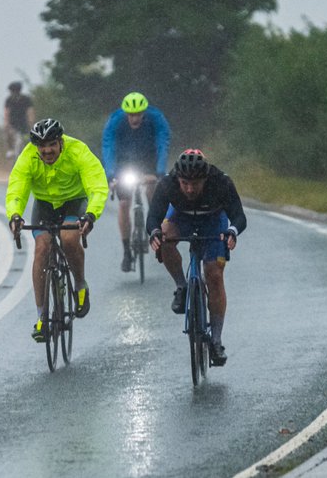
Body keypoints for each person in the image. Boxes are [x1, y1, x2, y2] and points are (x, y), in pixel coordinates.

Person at [6, 118, 109, 342]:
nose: (47, 150)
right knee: (42, 248)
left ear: (60, 142)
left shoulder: (77, 151)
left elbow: (97, 184)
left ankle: (80, 285)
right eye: (42, 146)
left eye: (52, 144)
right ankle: (41, 316)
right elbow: (17, 187)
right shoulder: (28, 157)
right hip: (44, 205)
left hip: (74, 202)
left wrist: (91, 214)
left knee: (69, 237)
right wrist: (14, 214)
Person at [146, 149, 246, 366]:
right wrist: (154, 233)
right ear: (178, 180)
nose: (190, 189)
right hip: (181, 218)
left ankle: (217, 340)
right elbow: (153, 216)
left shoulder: (221, 182)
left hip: (213, 221)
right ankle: (182, 286)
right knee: (164, 236)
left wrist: (232, 231)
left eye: (196, 184)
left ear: (206, 179)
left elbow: (239, 216)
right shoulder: (167, 184)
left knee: (214, 275)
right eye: (185, 183)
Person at [102, 92, 171, 272]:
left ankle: (155, 230)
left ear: (144, 112)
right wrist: (111, 175)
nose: (134, 118)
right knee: (124, 203)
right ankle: (126, 251)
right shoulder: (116, 121)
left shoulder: (156, 118)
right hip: (125, 162)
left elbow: (163, 143)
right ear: (125, 113)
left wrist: (160, 172)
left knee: (152, 192)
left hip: (149, 160)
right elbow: (108, 146)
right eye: (131, 115)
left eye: (139, 114)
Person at [3, 81, 35, 158]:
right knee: (8, 133)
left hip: (24, 123)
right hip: (13, 123)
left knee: (29, 137)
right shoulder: (9, 100)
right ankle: (10, 149)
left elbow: (30, 111)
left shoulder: (26, 99)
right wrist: (6, 123)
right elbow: (6, 112)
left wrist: (31, 122)